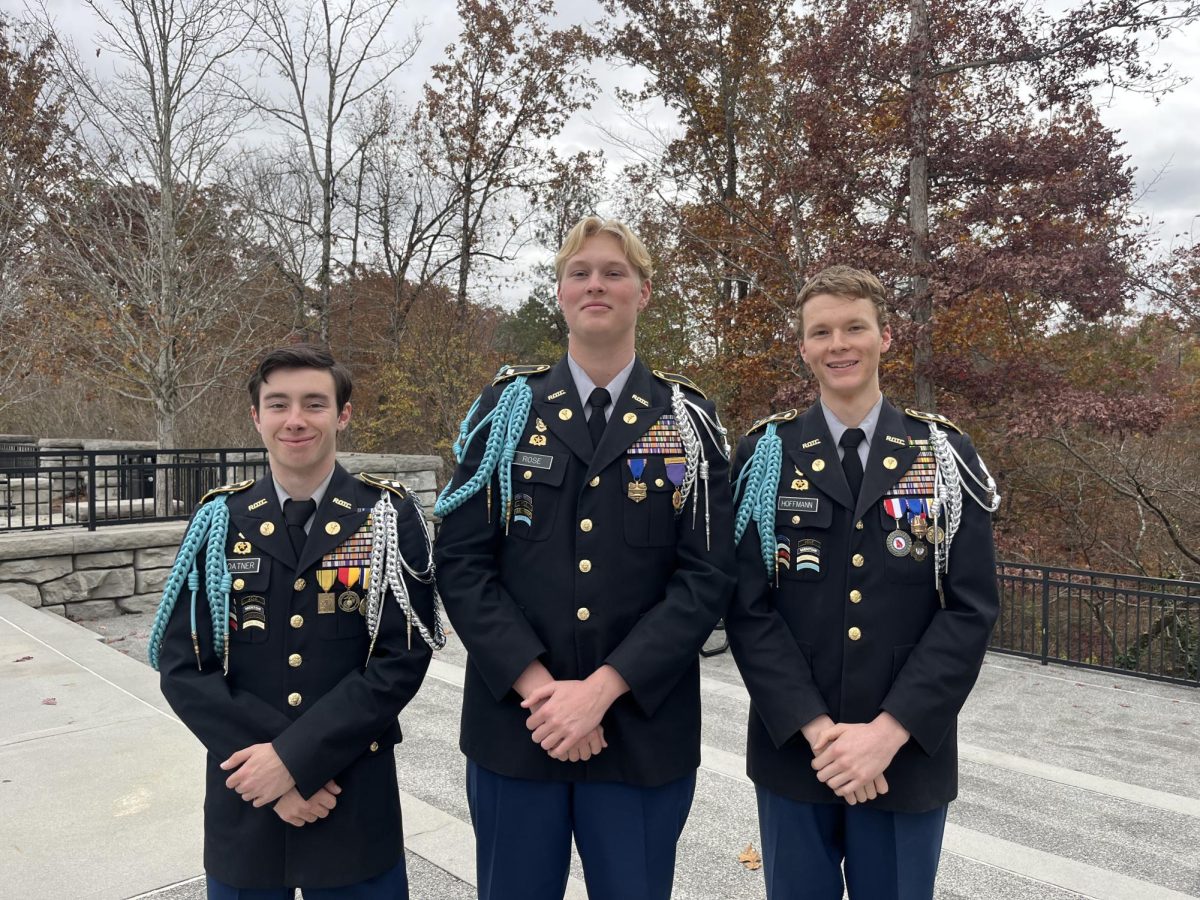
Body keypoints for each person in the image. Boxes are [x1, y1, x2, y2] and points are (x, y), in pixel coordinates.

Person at [433, 216, 736, 900]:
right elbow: (460, 559)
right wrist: (543, 693)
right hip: (518, 727)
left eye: (613, 272)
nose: (595, 283)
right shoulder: (507, 409)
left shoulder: (687, 419)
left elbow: (707, 576)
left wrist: (600, 693)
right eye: (580, 272)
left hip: (639, 733)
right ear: (562, 292)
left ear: (644, 293)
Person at [725, 266, 1001, 900]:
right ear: (802, 348)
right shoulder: (766, 454)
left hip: (905, 756)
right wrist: (820, 732)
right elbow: (747, 608)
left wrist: (887, 733)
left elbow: (970, 608)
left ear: (885, 337)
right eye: (820, 332)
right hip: (798, 751)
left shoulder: (944, 456)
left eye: (854, 327)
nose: (838, 344)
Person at [150, 344, 443, 899]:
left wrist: (295, 762)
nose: (296, 420)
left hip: (352, 796)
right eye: (278, 404)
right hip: (248, 798)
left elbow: (401, 660)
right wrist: (274, 774)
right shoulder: (219, 519)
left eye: (314, 403)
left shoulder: (386, 515)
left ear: (343, 414)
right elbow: (184, 666)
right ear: (256, 416)